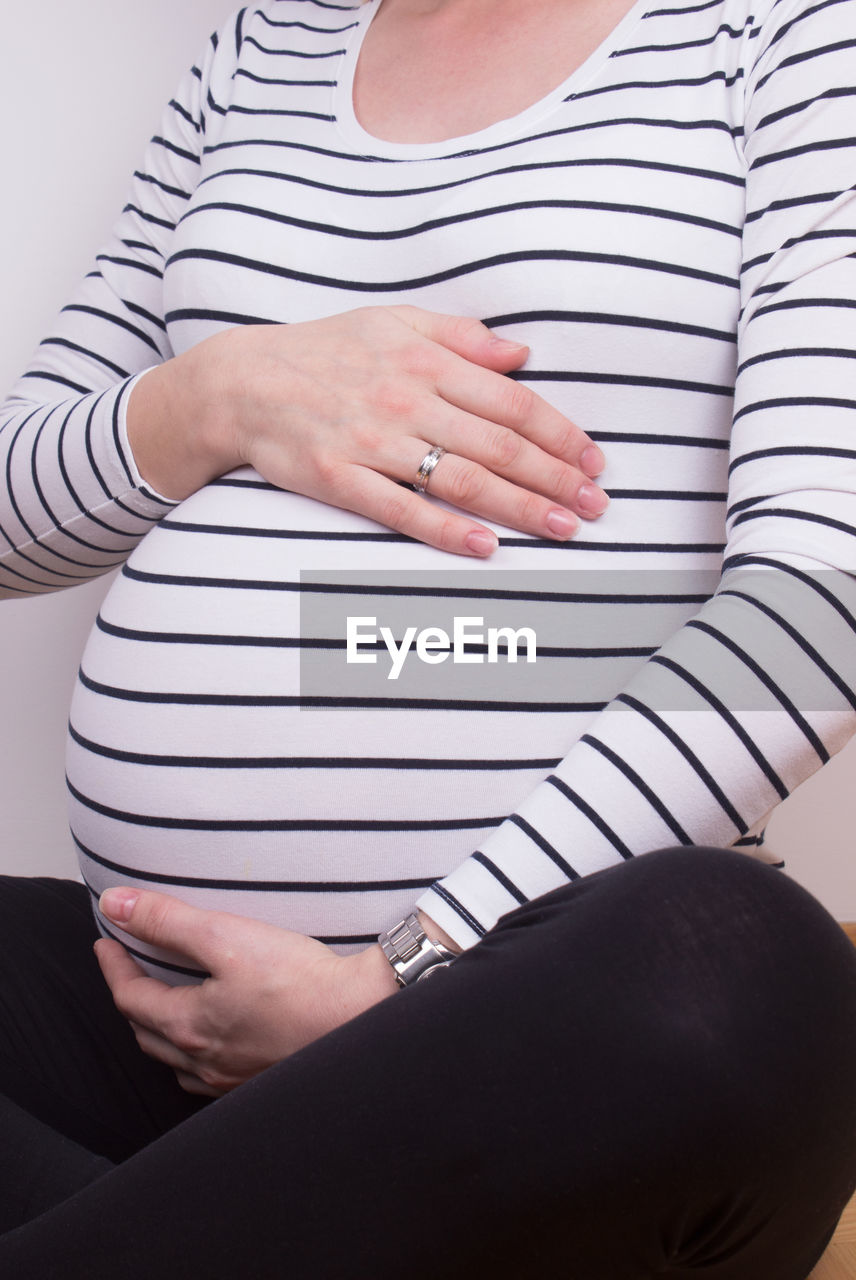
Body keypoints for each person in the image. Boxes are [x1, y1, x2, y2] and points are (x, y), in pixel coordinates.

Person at [0, 0, 855, 1275]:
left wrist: (407, 975)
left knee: (737, 970)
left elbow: (818, 604)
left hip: (531, 1064)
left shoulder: (787, 37)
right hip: (159, 1016)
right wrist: (221, 392)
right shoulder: (260, 48)